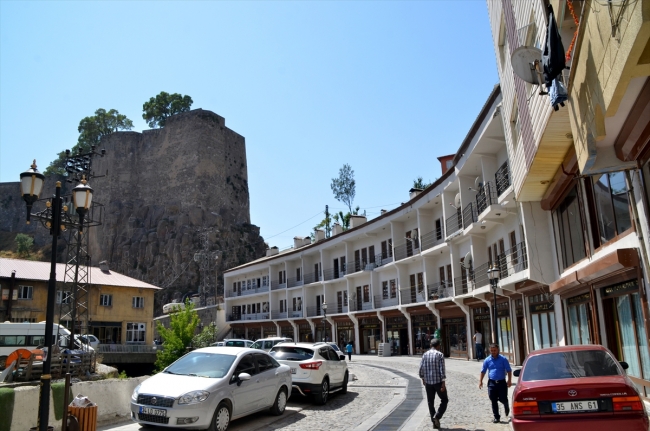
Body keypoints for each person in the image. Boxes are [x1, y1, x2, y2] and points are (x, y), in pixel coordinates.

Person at [478, 343, 512, 423]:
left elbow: (509, 370)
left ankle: (506, 404)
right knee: (493, 399)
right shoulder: (487, 360)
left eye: (495, 350)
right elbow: (483, 371)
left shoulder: (503, 359)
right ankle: (496, 417)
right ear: (490, 351)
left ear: (498, 350)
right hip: (492, 383)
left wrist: (509, 380)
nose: (493, 352)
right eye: (492, 351)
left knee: (503, 398)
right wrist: (480, 381)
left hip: (501, 383)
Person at [419, 338, 448, 430]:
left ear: (431, 345)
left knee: (430, 402)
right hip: (438, 382)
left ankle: (434, 422)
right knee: (444, 399)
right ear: (438, 345)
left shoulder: (425, 355)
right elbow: (441, 370)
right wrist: (443, 383)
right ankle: (437, 416)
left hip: (428, 382)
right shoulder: (440, 355)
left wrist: (423, 378)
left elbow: (421, 368)